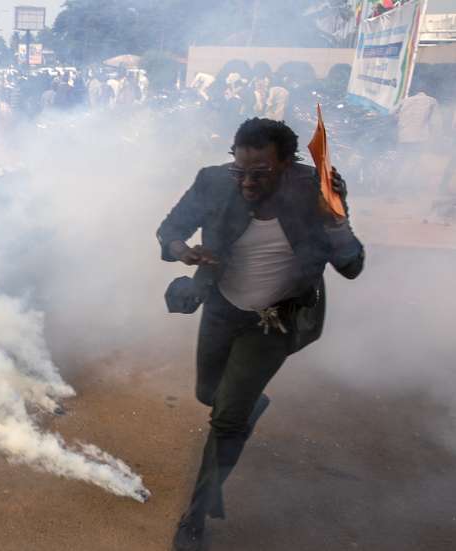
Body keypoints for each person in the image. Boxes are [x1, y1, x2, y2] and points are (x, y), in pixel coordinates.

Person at [157, 118, 365, 551]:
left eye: (261, 173)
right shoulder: (214, 181)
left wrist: (334, 219)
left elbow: (351, 265)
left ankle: (195, 518)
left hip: (275, 319)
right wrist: (184, 252)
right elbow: (169, 232)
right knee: (207, 393)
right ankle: (247, 401)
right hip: (220, 306)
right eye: (240, 170)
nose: (247, 183)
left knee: (228, 418)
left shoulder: (315, 191)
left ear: (287, 165)